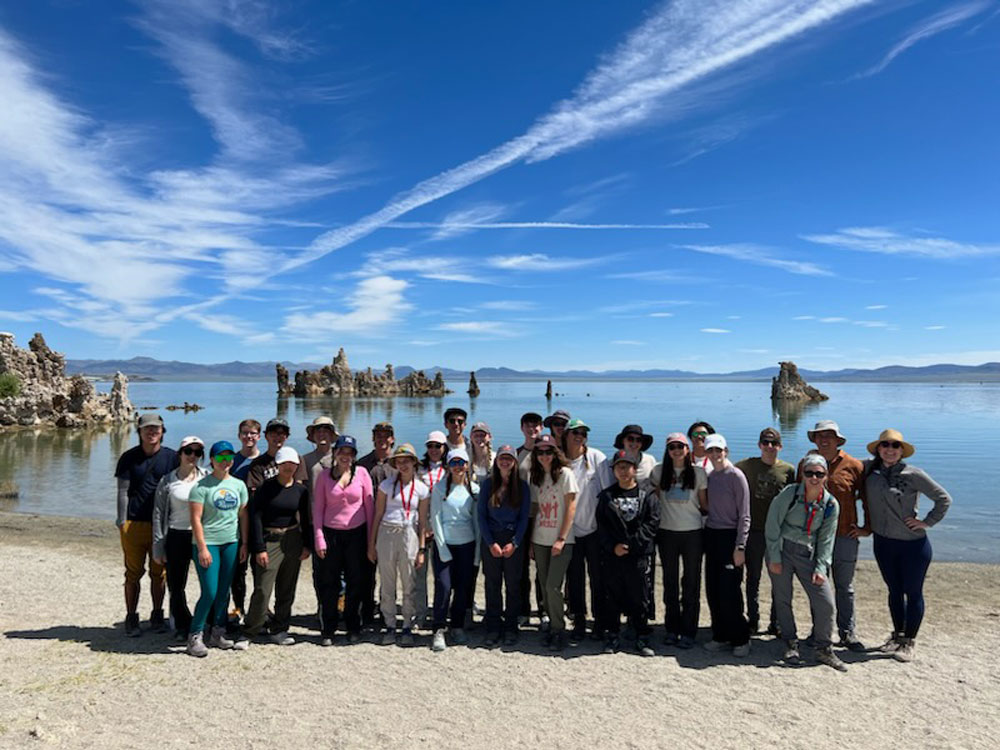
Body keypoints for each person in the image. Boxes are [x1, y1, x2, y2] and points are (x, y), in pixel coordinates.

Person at [864, 429, 951, 662]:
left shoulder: (914, 474)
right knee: (893, 590)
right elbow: (841, 465)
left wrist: (927, 522)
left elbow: (943, 499)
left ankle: (909, 641)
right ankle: (897, 636)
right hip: (883, 543)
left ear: (902, 451)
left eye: (895, 446)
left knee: (913, 593)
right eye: (885, 445)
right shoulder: (870, 471)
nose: (890, 450)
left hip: (913, 545)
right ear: (878, 449)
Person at [765, 454, 845, 671]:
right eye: (809, 473)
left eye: (819, 474)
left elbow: (826, 540)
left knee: (825, 602)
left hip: (807, 554)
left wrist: (821, 567)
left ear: (826, 476)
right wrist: (774, 557)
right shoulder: (789, 495)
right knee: (783, 598)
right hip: (782, 549)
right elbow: (772, 525)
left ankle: (823, 648)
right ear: (802, 475)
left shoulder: (830, 505)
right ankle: (790, 642)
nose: (814, 478)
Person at [803, 420, 867, 651]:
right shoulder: (806, 464)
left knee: (844, 586)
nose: (824, 439)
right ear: (814, 440)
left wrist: (866, 527)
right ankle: (819, 631)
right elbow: (797, 499)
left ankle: (847, 632)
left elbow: (866, 497)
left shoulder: (853, 465)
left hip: (844, 535)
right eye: (820, 436)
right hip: (814, 537)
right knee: (817, 587)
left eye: (829, 435)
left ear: (838, 440)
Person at [115, 412, 179, 637]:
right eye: (147, 429)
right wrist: (122, 521)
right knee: (133, 573)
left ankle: (156, 615)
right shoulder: (128, 457)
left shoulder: (172, 457)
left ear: (162, 431)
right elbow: (123, 490)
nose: (152, 432)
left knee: (158, 573)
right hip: (134, 523)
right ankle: (131, 617)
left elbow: (181, 486)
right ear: (139, 432)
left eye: (156, 428)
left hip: (161, 525)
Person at [236, 417, 300, 636]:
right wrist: (256, 543)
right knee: (262, 584)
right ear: (266, 436)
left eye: (282, 433)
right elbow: (256, 503)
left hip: (290, 534)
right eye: (273, 433)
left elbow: (298, 494)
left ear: (287, 436)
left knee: (286, 586)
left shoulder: (293, 461)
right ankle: (254, 623)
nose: (278, 436)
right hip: (264, 532)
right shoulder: (258, 465)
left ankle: (278, 626)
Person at [186, 441, 249, 657]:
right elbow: (195, 519)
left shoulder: (238, 485)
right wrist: (202, 548)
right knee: (210, 592)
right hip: (208, 543)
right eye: (220, 457)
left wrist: (244, 544)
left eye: (229, 457)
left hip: (231, 542)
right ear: (211, 460)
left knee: (223, 592)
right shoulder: (201, 486)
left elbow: (243, 516)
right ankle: (195, 634)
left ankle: (218, 632)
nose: (225, 461)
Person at [244, 447, 312, 646]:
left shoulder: (301, 491)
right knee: (262, 589)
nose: (288, 467)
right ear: (278, 466)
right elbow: (255, 517)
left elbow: (306, 520)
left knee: (286, 588)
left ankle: (279, 629)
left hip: (292, 538)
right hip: (269, 538)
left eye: (292, 464)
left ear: (297, 465)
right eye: (284, 464)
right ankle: (250, 631)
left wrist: (307, 545)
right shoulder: (266, 488)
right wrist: (259, 548)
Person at [597, 451, 660, 657]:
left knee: (640, 597)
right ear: (614, 470)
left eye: (628, 467)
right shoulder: (606, 496)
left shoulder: (647, 494)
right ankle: (613, 634)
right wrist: (612, 547)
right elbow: (602, 526)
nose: (624, 471)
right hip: (613, 556)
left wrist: (633, 545)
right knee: (612, 596)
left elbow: (652, 522)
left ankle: (641, 635)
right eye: (619, 467)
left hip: (639, 556)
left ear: (635, 469)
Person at [313, 435, 373, 645]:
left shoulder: (363, 474)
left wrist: (370, 542)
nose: (346, 456)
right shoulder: (324, 476)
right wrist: (319, 538)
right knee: (329, 583)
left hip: (357, 534)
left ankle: (352, 626)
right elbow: (318, 509)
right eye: (342, 452)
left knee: (356, 582)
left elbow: (370, 509)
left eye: (350, 453)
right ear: (335, 454)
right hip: (331, 534)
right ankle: (328, 628)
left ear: (355, 455)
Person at [736, 427, 796, 636]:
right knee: (752, 578)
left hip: (777, 533)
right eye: (765, 443)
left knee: (777, 578)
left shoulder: (788, 470)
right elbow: (725, 470)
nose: (769, 447)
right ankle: (753, 620)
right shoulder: (747, 465)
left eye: (773, 443)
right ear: (760, 445)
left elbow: (794, 500)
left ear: (780, 446)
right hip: (753, 531)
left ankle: (776, 621)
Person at [369, 443, 430, 646]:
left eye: (406, 461)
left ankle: (407, 625)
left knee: (409, 583)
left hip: (409, 534)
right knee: (387, 582)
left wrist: (421, 549)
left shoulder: (422, 489)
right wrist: (372, 543)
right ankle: (389, 624)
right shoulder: (386, 485)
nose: (403, 465)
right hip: (387, 532)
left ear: (414, 463)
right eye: (399, 461)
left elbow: (422, 521)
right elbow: (377, 514)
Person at [650, 432, 707, 649]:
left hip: (693, 533)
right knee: (670, 582)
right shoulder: (658, 472)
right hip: (666, 533)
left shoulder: (699, 474)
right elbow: (654, 499)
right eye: (672, 447)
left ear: (687, 449)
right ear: (667, 450)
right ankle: (671, 629)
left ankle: (689, 630)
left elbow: (704, 505)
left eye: (680, 446)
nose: (676, 451)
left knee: (691, 582)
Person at [152, 435, 208, 641]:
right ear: (180, 454)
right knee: (176, 585)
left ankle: (206, 622)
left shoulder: (207, 477)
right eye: (188, 451)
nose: (192, 456)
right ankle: (183, 624)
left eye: (197, 452)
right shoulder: (168, 481)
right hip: (176, 535)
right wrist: (158, 547)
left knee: (209, 584)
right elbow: (158, 514)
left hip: (201, 536)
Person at [424, 448, 480, 651]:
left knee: (463, 588)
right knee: (444, 587)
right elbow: (436, 519)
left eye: (461, 463)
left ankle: (456, 626)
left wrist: (477, 554)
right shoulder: (439, 489)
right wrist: (442, 548)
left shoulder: (474, 490)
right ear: (448, 466)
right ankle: (438, 628)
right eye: (454, 463)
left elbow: (477, 524)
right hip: (445, 546)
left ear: (467, 465)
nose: (458, 467)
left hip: (467, 545)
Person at [528, 434, 578, 651]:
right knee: (543, 584)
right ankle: (550, 622)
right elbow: (534, 509)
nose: (544, 456)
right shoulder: (536, 476)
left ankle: (559, 629)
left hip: (562, 541)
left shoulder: (565, 474)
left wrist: (562, 538)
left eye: (549, 452)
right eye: (540, 452)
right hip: (540, 539)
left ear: (555, 453)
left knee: (553, 586)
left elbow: (571, 507)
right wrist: (531, 540)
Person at [702, 434, 752, 657]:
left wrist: (740, 546)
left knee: (730, 591)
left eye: (718, 451)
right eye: (711, 451)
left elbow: (745, 515)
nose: (715, 455)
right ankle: (720, 635)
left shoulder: (736, 476)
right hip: (712, 535)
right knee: (713, 588)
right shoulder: (711, 476)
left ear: (726, 451)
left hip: (731, 537)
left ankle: (740, 638)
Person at [478, 445, 531, 647]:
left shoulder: (522, 487)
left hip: (513, 539)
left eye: (509, 458)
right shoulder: (488, 484)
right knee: (492, 584)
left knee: (513, 585)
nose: (505, 462)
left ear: (515, 462)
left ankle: (510, 626)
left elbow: (524, 518)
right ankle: (493, 626)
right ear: (496, 461)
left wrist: (515, 543)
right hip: (491, 538)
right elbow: (481, 516)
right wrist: (491, 542)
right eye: (502, 458)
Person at [563, 418, 609, 645]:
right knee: (575, 580)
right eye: (575, 432)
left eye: (583, 432)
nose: (579, 436)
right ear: (567, 435)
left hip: (594, 531)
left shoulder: (597, 459)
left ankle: (600, 623)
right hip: (570, 532)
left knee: (598, 579)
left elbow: (608, 494)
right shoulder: (560, 461)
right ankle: (579, 622)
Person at [357, 421, 396, 628]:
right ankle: (367, 609)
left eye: (386, 435)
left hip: (391, 523)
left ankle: (386, 609)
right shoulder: (362, 463)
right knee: (367, 571)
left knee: (389, 572)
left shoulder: (399, 463)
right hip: (368, 523)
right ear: (373, 438)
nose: (382, 439)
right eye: (378, 435)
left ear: (392, 438)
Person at [301, 416, 337, 629]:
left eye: (326, 430)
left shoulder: (342, 457)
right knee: (320, 569)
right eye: (318, 430)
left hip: (339, 522)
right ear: (313, 436)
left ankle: (337, 605)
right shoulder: (305, 460)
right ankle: (323, 605)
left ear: (332, 435)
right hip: (315, 521)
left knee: (340, 568)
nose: (322, 434)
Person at [416, 430, 449, 628]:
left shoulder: (450, 469)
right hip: (420, 528)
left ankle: (439, 614)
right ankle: (420, 615)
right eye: (430, 446)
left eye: (438, 446)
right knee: (419, 576)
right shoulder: (419, 469)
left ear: (444, 448)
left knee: (442, 577)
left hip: (443, 530)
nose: (434, 450)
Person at [515, 411, 545, 624]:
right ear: (522, 428)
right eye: (527, 424)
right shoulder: (516, 454)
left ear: (541, 428)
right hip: (523, 515)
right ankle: (523, 609)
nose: (531, 428)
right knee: (522, 566)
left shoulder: (548, 453)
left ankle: (543, 609)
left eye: (535, 425)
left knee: (543, 566)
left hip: (545, 515)